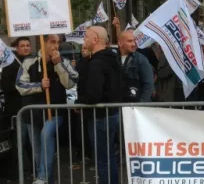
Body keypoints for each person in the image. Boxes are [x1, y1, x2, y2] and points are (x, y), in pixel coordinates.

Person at [16, 34, 78, 184]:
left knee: (46, 133)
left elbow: (70, 83)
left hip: (55, 111)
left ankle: (42, 176)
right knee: (38, 153)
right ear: (43, 43)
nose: (56, 45)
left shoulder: (64, 61)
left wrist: (58, 65)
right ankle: (45, 179)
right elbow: (20, 85)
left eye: (58, 42)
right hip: (33, 113)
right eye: (52, 42)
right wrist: (39, 86)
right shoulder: (29, 61)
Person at [77, 26, 123, 184]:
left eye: (86, 37)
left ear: (95, 39)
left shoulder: (97, 63)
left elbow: (93, 94)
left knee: (103, 159)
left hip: (100, 117)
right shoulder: (112, 59)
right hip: (111, 113)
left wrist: (80, 102)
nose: (84, 40)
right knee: (108, 156)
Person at [0, 37, 32, 180]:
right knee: (19, 144)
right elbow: (8, 87)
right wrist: (24, 85)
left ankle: (33, 171)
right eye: (23, 46)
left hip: (32, 110)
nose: (26, 48)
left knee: (33, 144)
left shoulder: (35, 62)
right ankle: (21, 174)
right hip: (16, 112)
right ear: (17, 48)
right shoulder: (10, 66)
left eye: (28, 45)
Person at [117, 30, 155, 102]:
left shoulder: (141, 59)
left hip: (136, 106)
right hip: (119, 105)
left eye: (135, 41)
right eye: (130, 41)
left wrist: (140, 105)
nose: (133, 44)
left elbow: (149, 85)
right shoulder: (114, 58)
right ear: (120, 43)